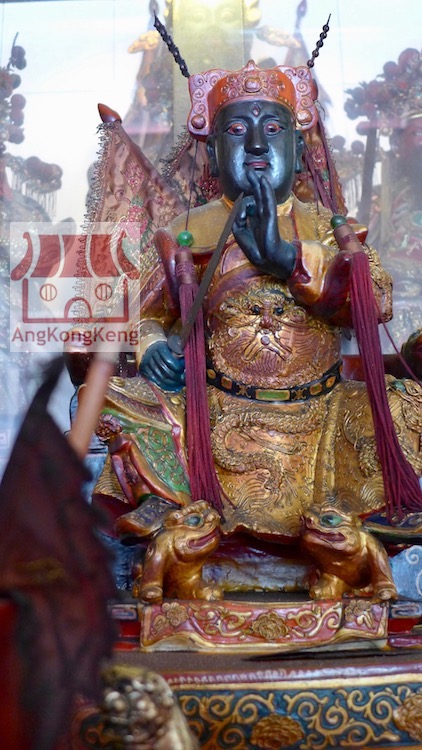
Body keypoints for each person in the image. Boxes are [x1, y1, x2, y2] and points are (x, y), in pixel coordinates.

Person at [93, 60, 421, 547]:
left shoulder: (329, 226)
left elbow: (377, 303)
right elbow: (144, 315)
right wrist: (153, 345)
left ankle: (376, 508)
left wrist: (286, 258)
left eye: (272, 129)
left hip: (324, 417)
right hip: (215, 415)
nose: (256, 145)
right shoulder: (184, 233)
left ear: (296, 147)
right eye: (236, 131)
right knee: (123, 397)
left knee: (405, 401)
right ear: (214, 152)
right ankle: (168, 496)